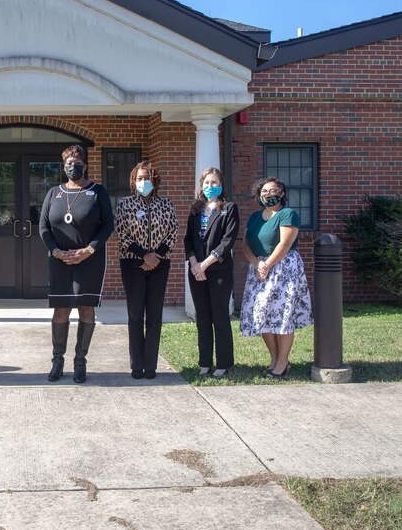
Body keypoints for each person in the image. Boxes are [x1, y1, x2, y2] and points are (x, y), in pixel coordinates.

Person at [39, 145, 114, 383]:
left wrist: (89, 250)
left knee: (86, 308)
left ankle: (80, 362)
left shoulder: (98, 191)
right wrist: (56, 251)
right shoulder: (54, 193)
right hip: (59, 261)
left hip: (89, 261)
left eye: (77, 163)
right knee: (61, 309)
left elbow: (108, 225)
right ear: (64, 167)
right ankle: (57, 361)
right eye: (69, 163)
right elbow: (43, 227)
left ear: (85, 165)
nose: (73, 167)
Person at [240, 176, 313, 378]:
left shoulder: (287, 214)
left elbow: (285, 244)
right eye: (264, 191)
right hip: (258, 269)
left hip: (283, 269)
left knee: (282, 315)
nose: (268, 194)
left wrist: (267, 265)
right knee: (261, 314)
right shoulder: (254, 217)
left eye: (273, 191)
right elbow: (245, 244)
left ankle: (282, 362)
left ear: (282, 194)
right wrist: (257, 264)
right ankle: (274, 358)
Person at [115, 161, 178, 379]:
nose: (143, 182)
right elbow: (121, 232)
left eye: (147, 178)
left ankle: (150, 366)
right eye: (139, 178)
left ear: (155, 181)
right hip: (132, 263)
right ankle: (136, 365)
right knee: (135, 315)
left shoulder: (166, 204)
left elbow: (173, 231)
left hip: (160, 264)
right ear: (133, 181)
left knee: (154, 315)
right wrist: (144, 255)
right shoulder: (124, 204)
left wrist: (155, 255)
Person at [184, 167, 239, 378]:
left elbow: (227, 241)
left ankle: (224, 363)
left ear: (221, 184)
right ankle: (205, 363)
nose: (210, 186)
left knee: (220, 316)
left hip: (219, 272)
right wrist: (195, 265)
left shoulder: (229, 208)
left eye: (214, 183)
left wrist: (204, 265)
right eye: (206, 183)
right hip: (196, 271)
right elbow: (188, 240)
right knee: (203, 318)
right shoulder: (196, 209)